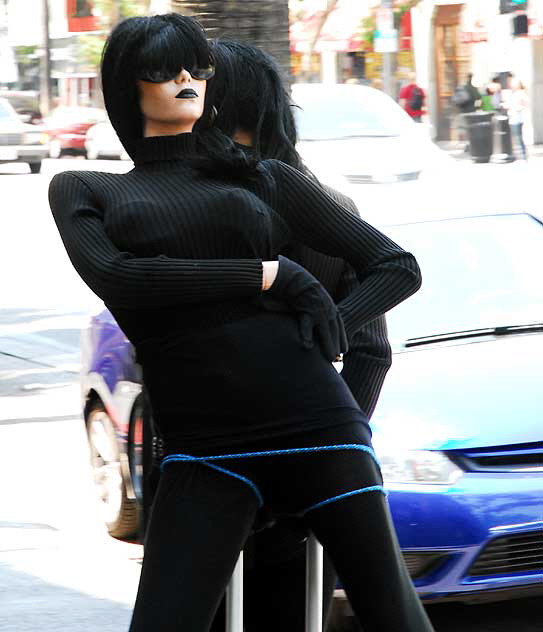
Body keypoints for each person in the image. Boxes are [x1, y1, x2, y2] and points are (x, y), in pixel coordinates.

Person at [48, 13, 432, 632]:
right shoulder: (85, 188)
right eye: (163, 70)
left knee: (394, 614)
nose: (184, 80)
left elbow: (397, 266)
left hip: (318, 424)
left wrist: (326, 322)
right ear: (127, 86)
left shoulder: (267, 180)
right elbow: (124, 278)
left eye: (194, 69)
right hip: (206, 447)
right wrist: (270, 276)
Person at [188, 38, 391, 631]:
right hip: (313, 477)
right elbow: (372, 352)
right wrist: (331, 450)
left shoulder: (185, 210)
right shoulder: (332, 205)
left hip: (213, 473)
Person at [503, 77, 528, 160]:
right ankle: (519, 154)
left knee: (518, 137)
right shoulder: (512, 93)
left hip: (518, 118)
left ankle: (523, 155)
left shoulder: (521, 93)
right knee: (515, 137)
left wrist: (515, 107)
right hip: (512, 117)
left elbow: (525, 105)